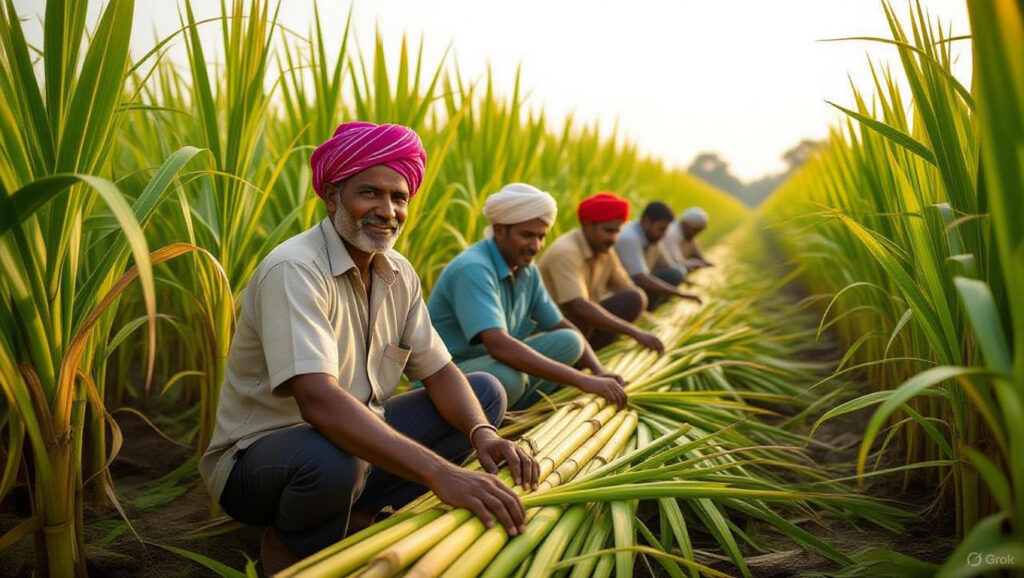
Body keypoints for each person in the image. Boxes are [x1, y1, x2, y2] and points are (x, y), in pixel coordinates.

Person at [199, 122, 538, 575]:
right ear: (331, 197)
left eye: (399, 198)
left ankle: (356, 513)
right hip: (263, 460)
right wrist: (441, 474)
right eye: (369, 194)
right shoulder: (295, 269)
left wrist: (483, 432)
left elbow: (438, 371)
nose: (387, 210)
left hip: (356, 446)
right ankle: (289, 546)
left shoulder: (397, 272)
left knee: (485, 393)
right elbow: (318, 401)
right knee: (333, 458)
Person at [427, 183, 628, 411]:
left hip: (490, 369)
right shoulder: (473, 268)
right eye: (527, 235)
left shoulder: (526, 269)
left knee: (571, 341)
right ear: (500, 230)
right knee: (509, 378)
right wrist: (584, 380)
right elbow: (498, 345)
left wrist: (599, 371)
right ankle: (496, 411)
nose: (536, 246)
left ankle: (509, 408)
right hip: (447, 376)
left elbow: (560, 324)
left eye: (541, 237)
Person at [537, 192, 665, 352]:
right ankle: (577, 362)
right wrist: (635, 332)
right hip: (554, 330)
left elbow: (627, 287)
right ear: (587, 226)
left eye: (617, 231)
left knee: (635, 299)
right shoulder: (566, 251)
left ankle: (592, 352)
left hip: (582, 323)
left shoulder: (604, 249)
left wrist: (649, 321)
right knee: (586, 314)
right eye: (608, 230)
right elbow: (580, 306)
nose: (613, 238)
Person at [614, 201, 702, 309]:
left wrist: (688, 283)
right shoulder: (630, 238)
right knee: (673, 276)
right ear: (646, 222)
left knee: (676, 273)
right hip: (620, 288)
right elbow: (640, 278)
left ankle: (648, 307)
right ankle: (645, 309)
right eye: (661, 229)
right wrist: (680, 294)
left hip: (634, 284)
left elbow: (667, 265)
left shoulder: (652, 237)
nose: (663, 234)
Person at [664, 207, 713, 275]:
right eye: (695, 230)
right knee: (679, 271)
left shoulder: (689, 235)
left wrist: (703, 260)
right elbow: (676, 262)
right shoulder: (672, 234)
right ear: (685, 224)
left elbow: (697, 251)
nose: (697, 234)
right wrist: (697, 263)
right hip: (664, 267)